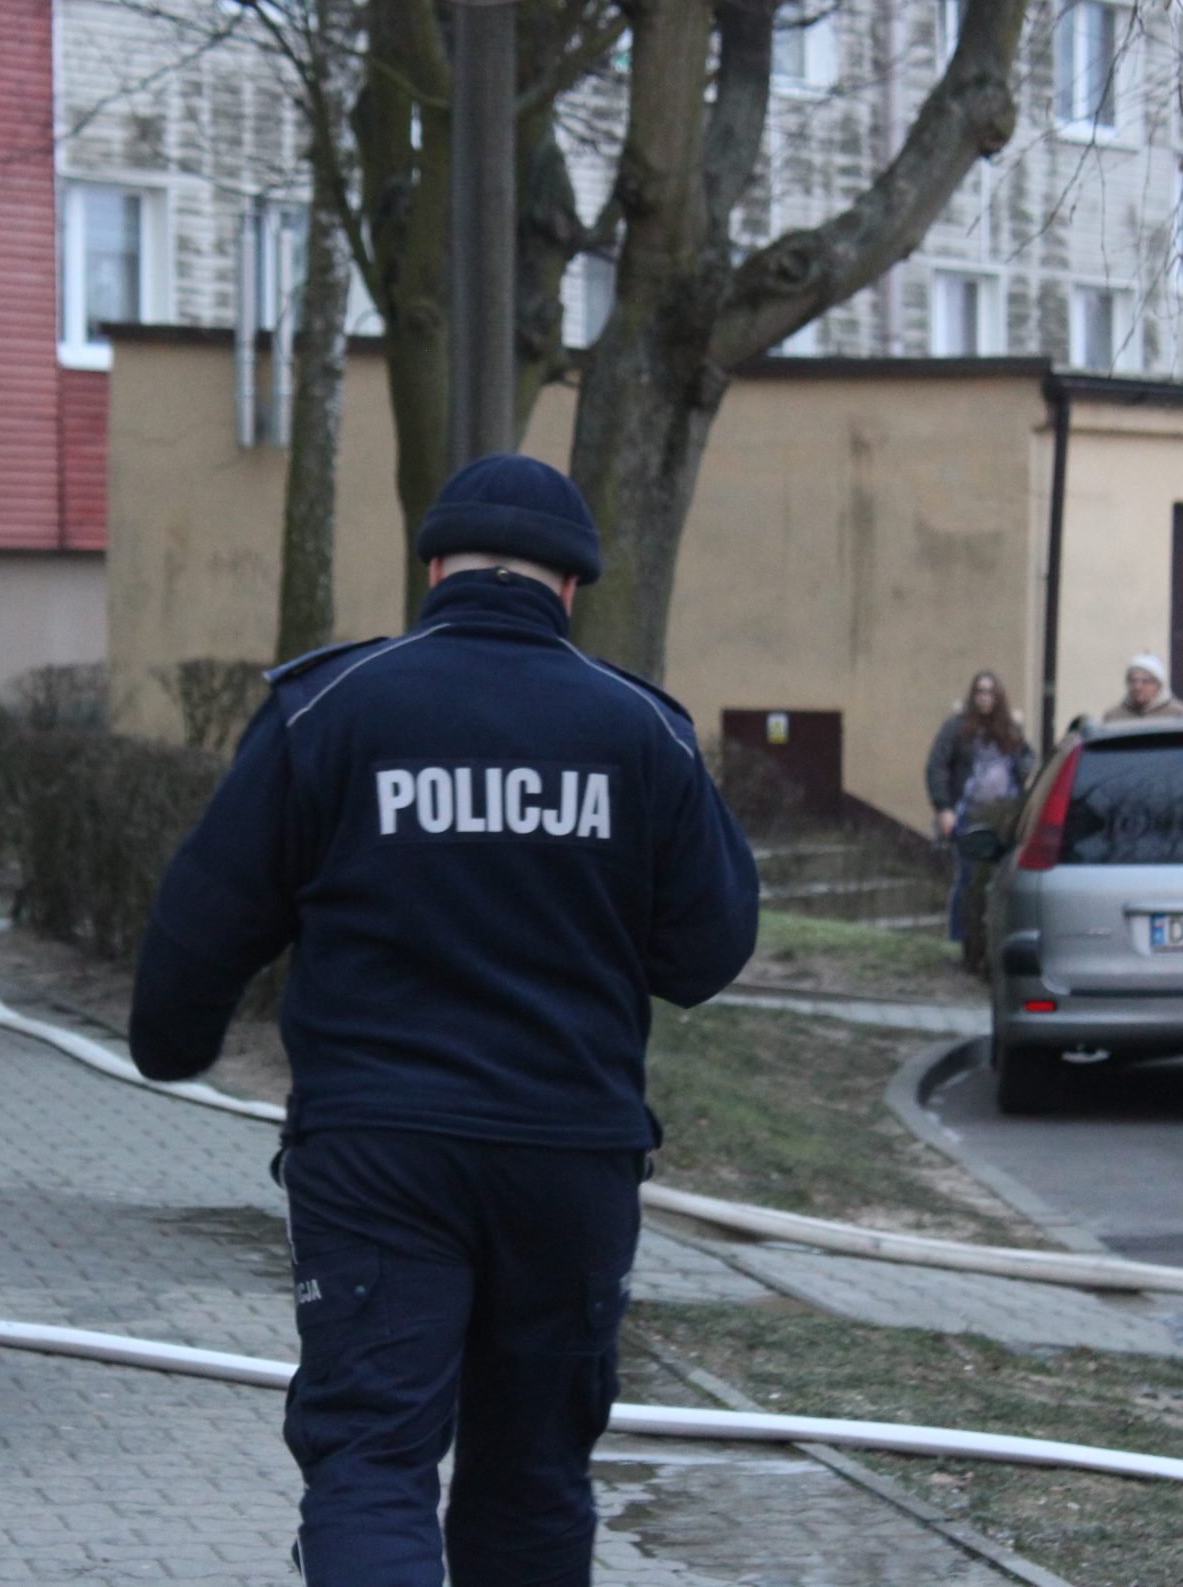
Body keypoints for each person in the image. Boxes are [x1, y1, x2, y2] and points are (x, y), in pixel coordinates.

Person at [128, 453, 759, 1587]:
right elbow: (707, 952)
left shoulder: (331, 707)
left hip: (380, 1156)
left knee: (371, 1458)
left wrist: (171, 1046)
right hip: (569, 1158)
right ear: (572, 588)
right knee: (533, 1481)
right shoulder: (640, 731)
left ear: (432, 571)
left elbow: (204, 914)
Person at [924, 670, 1033, 947]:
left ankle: (992, 942)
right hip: (968, 815)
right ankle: (961, 940)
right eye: (980, 692)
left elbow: (1027, 767)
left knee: (1000, 880)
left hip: (1004, 817)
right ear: (973, 696)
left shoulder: (1009, 730)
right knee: (968, 879)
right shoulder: (956, 728)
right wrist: (944, 808)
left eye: (990, 692)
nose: (985, 698)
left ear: (998, 697)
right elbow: (937, 767)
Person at [1099, 651, 1183, 723]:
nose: (1137, 687)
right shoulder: (1113, 716)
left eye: (1145, 681)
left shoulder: (1177, 713)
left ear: (1158, 685)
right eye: (1133, 680)